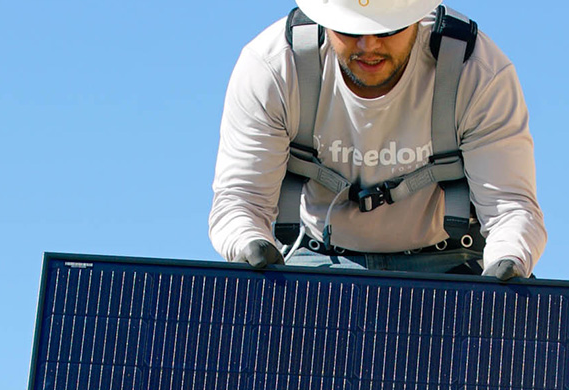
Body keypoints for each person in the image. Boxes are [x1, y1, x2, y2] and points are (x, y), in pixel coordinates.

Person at [209, 0, 547, 280]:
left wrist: (508, 260)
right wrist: (248, 243)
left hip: (450, 264)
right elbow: (241, 202)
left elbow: (510, 208)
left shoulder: (475, 71)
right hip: (317, 262)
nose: (368, 45)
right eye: (349, 29)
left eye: (387, 28)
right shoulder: (274, 68)